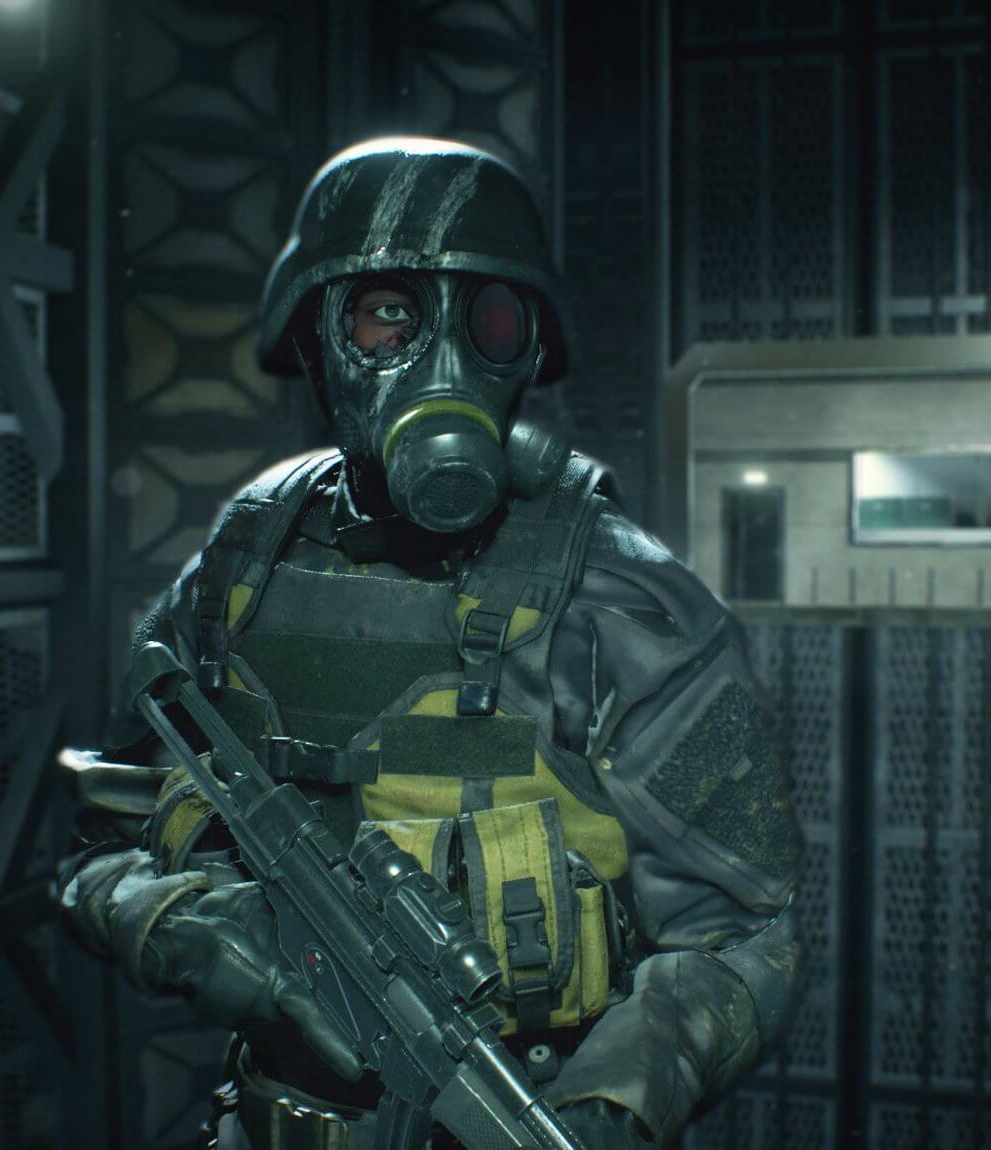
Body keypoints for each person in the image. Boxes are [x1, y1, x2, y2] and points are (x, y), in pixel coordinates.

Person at [56, 137, 802, 1150]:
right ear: (317, 337)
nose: (439, 364)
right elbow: (102, 827)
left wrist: (607, 1111)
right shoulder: (250, 552)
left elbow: (746, 933)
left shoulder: (619, 596)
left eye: (487, 322)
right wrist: (168, 920)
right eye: (389, 314)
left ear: (527, 353)